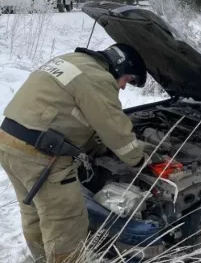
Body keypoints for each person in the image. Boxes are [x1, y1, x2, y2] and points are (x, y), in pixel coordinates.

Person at [0, 43, 150, 263]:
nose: (125, 88)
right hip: (42, 156)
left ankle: (41, 259)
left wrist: (95, 149)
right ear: (120, 67)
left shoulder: (71, 61)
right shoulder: (97, 78)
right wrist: (141, 160)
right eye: (128, 80)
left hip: (9, 143)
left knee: (33, 212)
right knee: (66, 223)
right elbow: (116, 131)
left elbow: (70, 114)